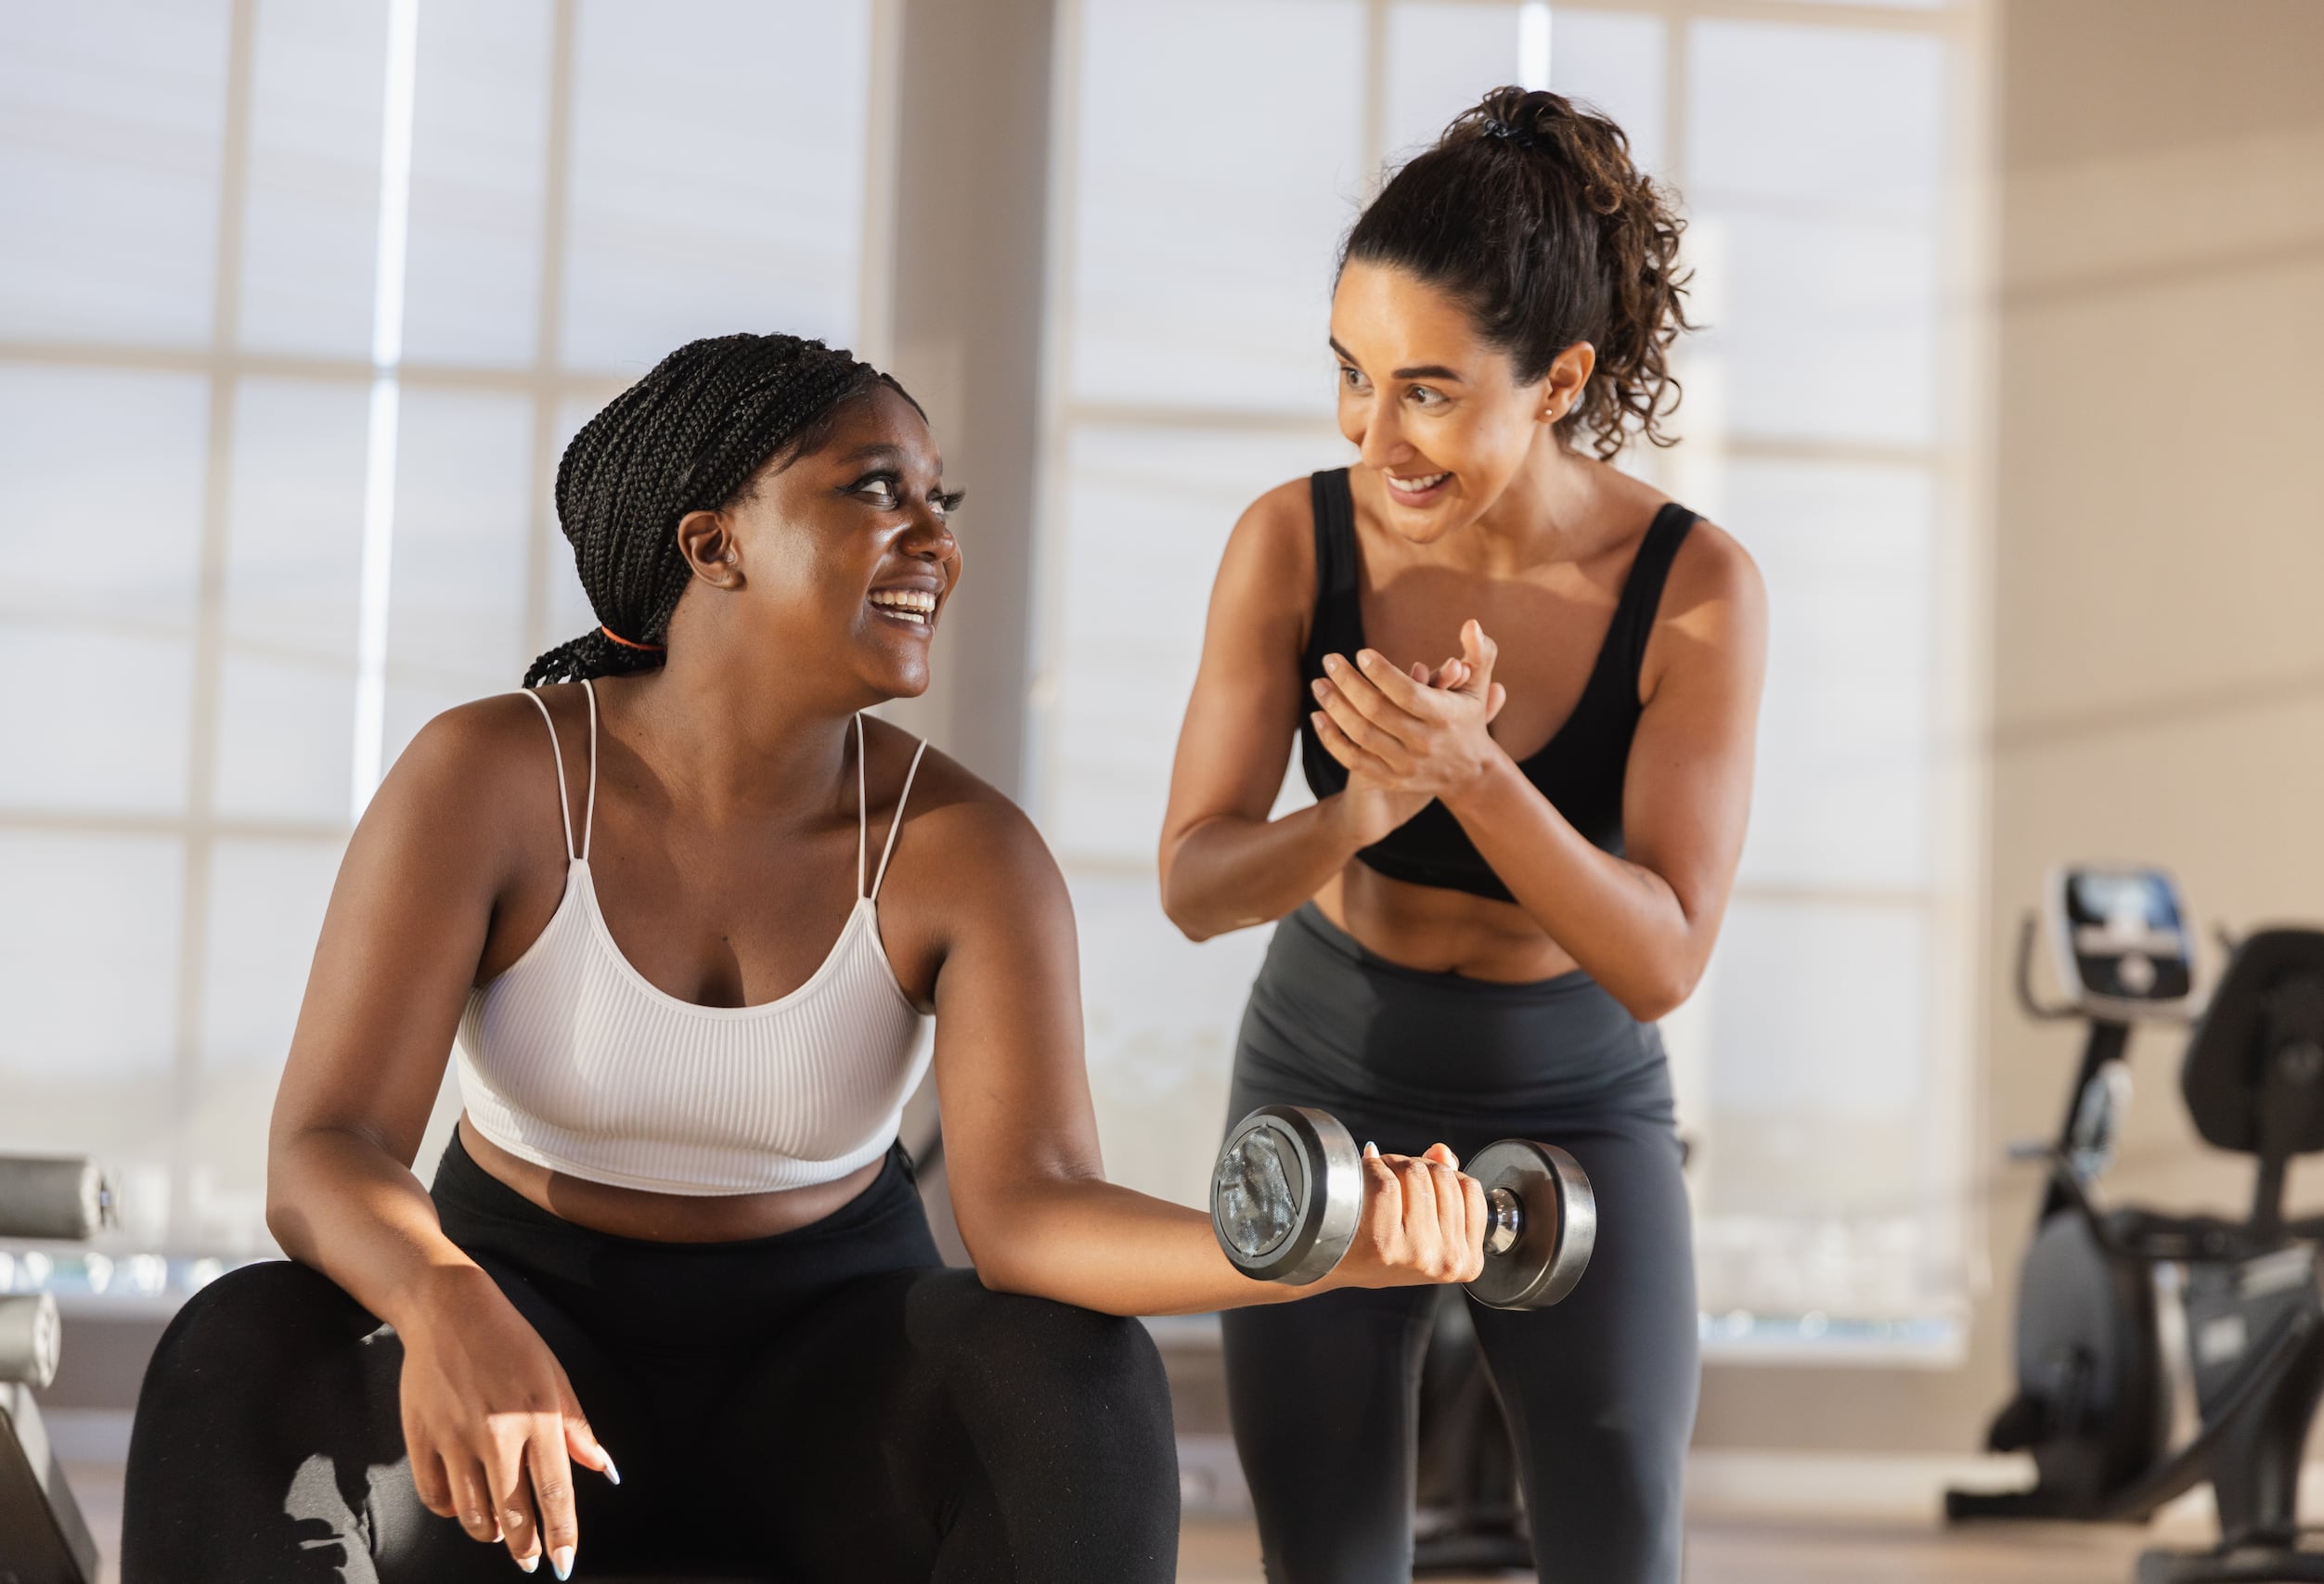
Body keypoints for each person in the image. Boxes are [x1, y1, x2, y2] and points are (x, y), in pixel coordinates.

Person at [123, 334, 1496, 1583]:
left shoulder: (968, 850)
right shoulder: (494, 777)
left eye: (939, 505)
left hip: (834, 1379)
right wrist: (442, 1301)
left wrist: (1308, 1249)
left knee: (1077, 1372)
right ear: (714, 543)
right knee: (244, 1344)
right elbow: (328, 1146)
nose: (934, 542)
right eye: (873, 491)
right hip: (528, 1337)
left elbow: (1032, 1213)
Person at [1158, 88, 1768, 1584]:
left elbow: (1663, 958)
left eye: (1429, 388)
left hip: (1578, 1097)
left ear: (1557, 378)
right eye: (1352, 376)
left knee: (1621, 1538)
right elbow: (1193, 882)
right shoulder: (1290, 543)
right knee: (1329, 1552)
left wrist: (1477, 774)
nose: (1377, 433)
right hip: (1323, 1072)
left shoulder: (1695, 591)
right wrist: (1360, 814)